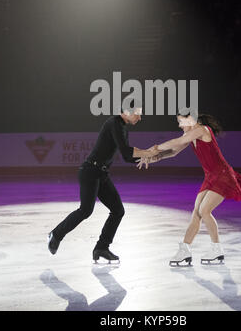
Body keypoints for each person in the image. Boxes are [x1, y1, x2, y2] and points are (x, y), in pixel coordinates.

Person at [137, 110, 241, 265]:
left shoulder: (202, 130)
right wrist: (154, 157)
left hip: (223, 175)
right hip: (210, 177)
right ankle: (185, 250)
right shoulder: (190, 135)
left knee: (204, 210)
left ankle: (217, 250)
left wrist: (151, 149)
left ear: (190, 119)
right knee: (197, 212)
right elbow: (174, 151)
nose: (179, 125)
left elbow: (174, 142)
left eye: (181, 121)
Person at [48, 103, 160, 263]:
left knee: (118, 210)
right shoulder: (113, 123)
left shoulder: (122, 127)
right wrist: (148, 152)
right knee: (86, 210)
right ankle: (56, 234)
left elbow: (127, 156)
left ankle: (101, 247)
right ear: (127, 112)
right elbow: (125, 150)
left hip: (101, 173)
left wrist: (146, 157)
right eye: (138, 113)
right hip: (90, 171)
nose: (140, 117)